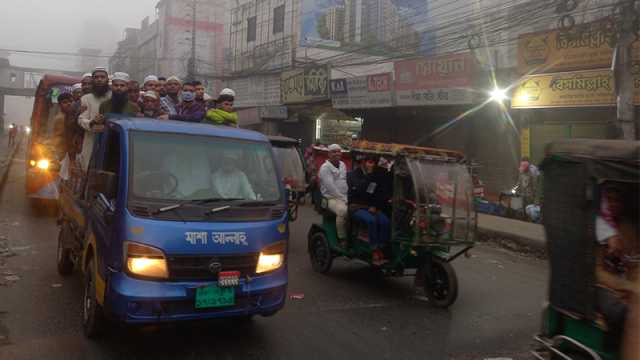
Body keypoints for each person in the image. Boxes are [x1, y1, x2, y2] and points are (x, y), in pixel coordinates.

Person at [593, 184, 640, 360]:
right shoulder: (597, 227)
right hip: (600, 287)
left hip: (628, 284)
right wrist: (627, 286)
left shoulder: (628, 227)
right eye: (609, 200)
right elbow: (597, 272)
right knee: (624, 313)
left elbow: (634, 260)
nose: (613, 204)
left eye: (617, 200)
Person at [348, 155, 392, 264]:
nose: (370, 164)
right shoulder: (353, 175)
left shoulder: (376, 175)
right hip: (356, 206)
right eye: (369, 162)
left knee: (385, 221)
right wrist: (369, 176)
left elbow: (375, 193)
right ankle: (374, 249)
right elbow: (360, 191)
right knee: (371, 220)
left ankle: (381, 247)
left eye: (373, 162)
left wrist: (375, 206)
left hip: (371, 207)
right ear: (363, 162)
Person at [78, 67, 111, 171]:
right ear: (93, 80)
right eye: (96, 77)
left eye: (102, 77)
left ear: (107, 80)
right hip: (91, 141)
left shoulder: (113, 97)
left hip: (110, 142)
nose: (99, 79)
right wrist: (92, 123)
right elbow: (81, 119)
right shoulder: (86, 98)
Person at [319, 144, 349, 244]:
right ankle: (342, 237)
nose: (336, 153)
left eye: (338, 151)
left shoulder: (343, 165)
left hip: (344, 196)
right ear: (329, 154)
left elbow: (345, 181)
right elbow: (331, 188)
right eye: (333, 152)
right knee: (343, 211)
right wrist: (343, 199)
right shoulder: (325, 168)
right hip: (331, 198)